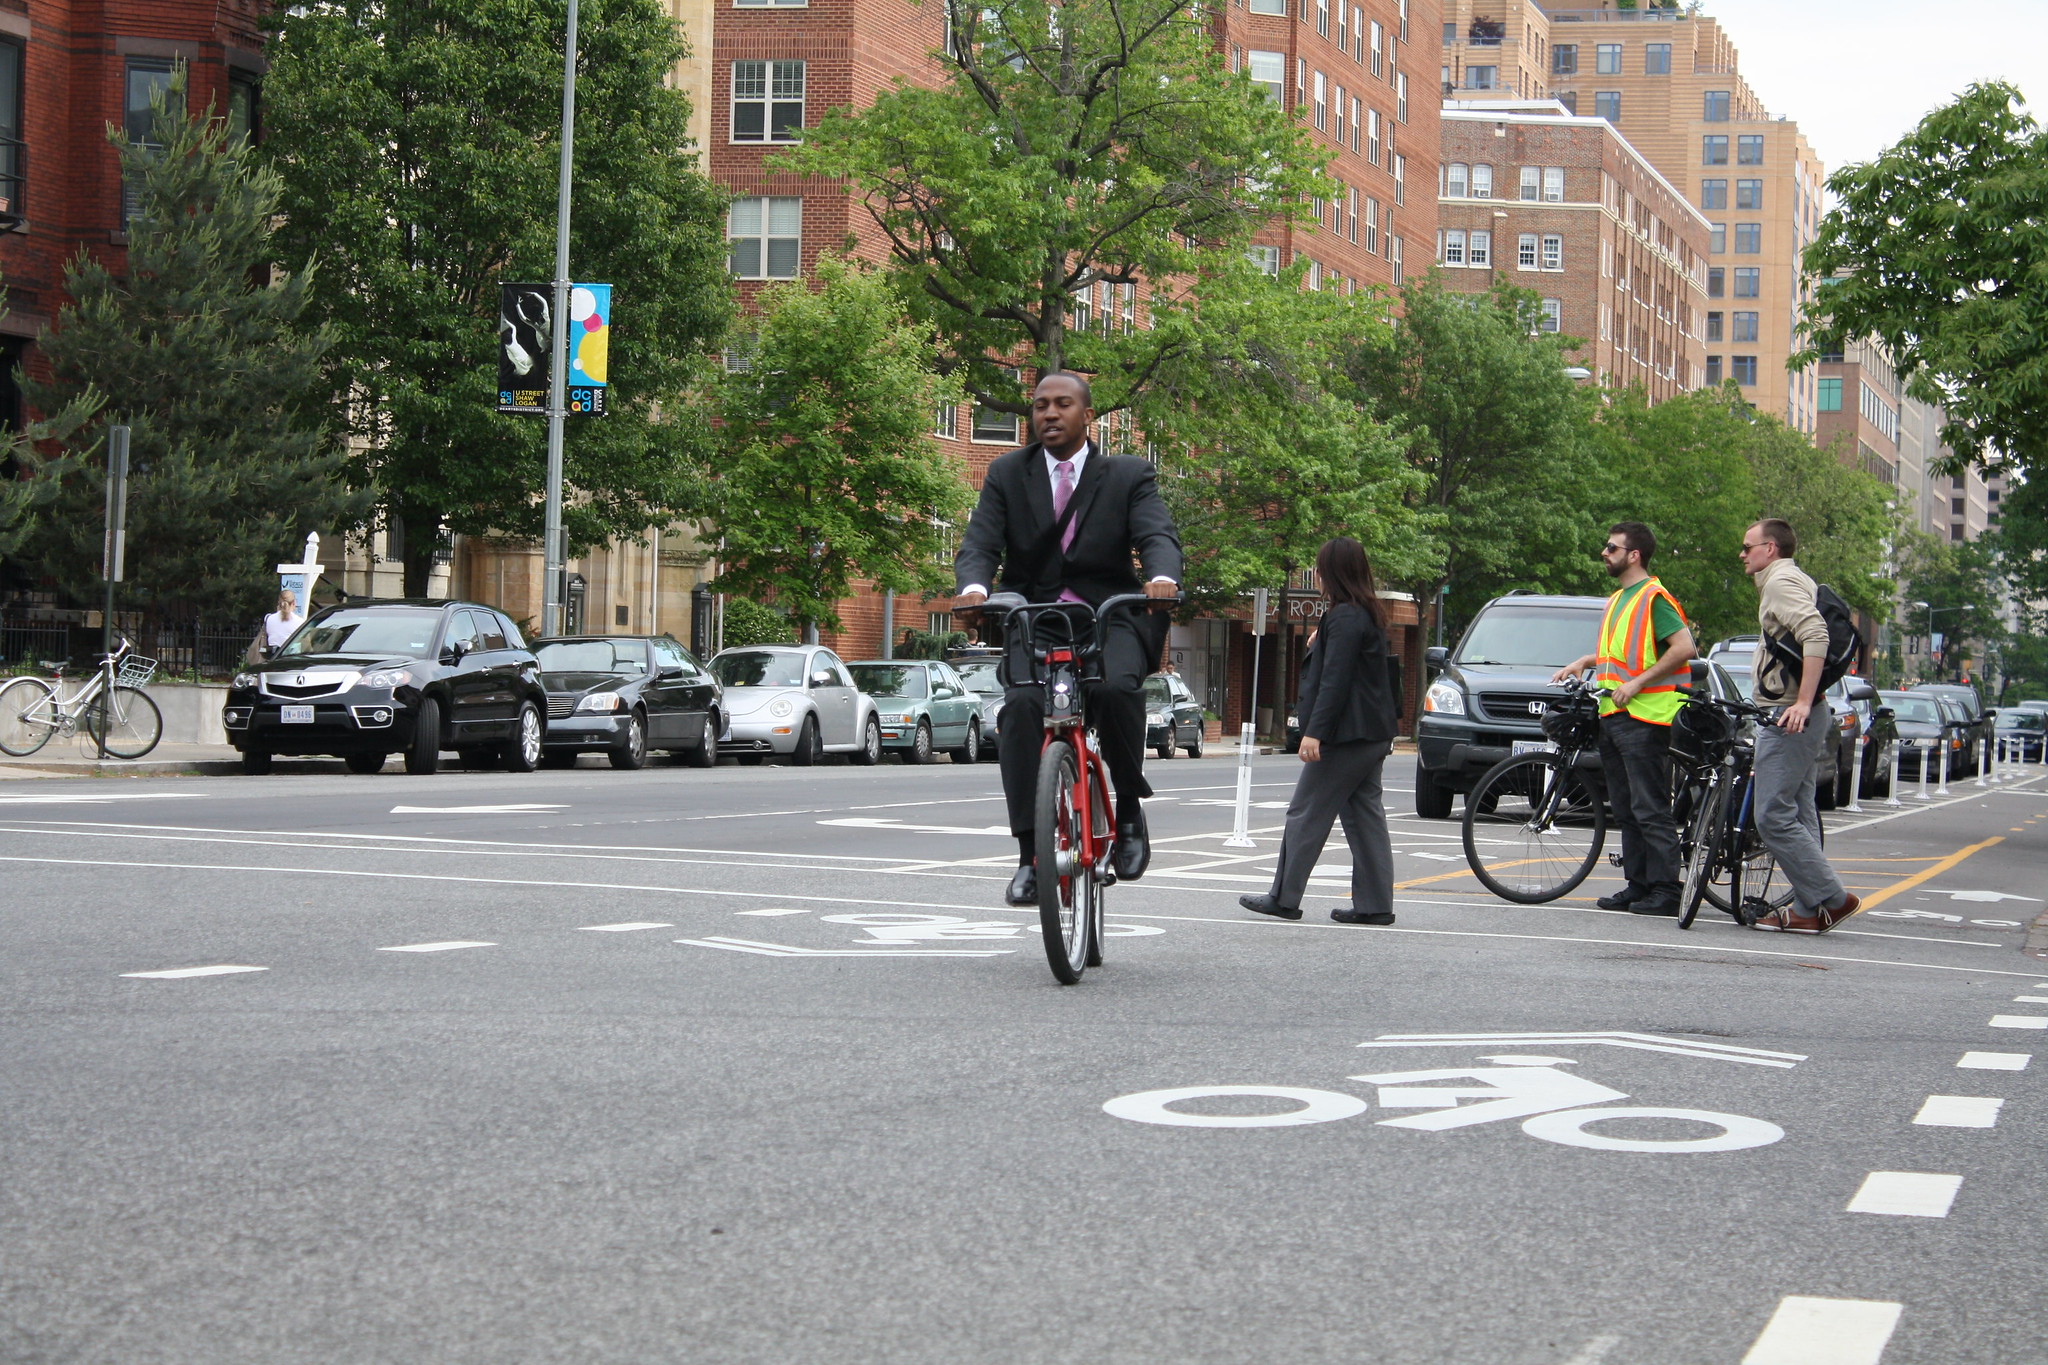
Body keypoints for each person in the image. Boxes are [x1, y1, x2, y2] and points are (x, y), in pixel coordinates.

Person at [953, 372, 1182, 906]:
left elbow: (1156, 535)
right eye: (1039, 406)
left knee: (1115, 690)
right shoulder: (1008, 473)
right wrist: (973, 586)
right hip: (1032, 614)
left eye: (1062, 405)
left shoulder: (1127, 474)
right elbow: (981, 542)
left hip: (1109, 613)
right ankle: (1029, 855)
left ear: (1087, 416)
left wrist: (1163, 578)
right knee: (1021, 709)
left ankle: (1127, 810)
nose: (1048, 414)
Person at [1238, 538, 1400, 926]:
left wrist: (1314, 732)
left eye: (1321, 568)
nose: (1318, 575)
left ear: (1334, 572)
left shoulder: (1344, 617)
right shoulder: (1366, 614)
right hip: (1372, 733)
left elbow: (1335, 681)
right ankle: (1375, 905)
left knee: (1305, 812)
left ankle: (1283, 897)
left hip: (1346, 736)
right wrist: (1322, 639)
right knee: (1365, 817)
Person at [1549, 522, 1696, 917]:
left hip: (1646, 715)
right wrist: (1585, 661)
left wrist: (1637, 684)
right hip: (1614, 713)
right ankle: (1639, 885)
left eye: (1612, 548)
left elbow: (1684, 647)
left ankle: (1666, 890)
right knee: (1627, 808)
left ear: (1634, 555)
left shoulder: (1653, 597)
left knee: (1649, 807)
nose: (1604, 552)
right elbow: (1621, 654)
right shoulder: (1619, 599)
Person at [1739, 518, 1858, 933]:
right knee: (1800, 812)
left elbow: (1816, 634)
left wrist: (1802, 702)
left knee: (1771, 816)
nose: (1742, 554)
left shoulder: (1780, 582)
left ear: (1770, 549)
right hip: (1802, 715)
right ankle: (1809, 909)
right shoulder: (1791, 578)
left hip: (1791, 716)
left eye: (1748, 546)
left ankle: (1833, 899)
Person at [247, 588, 305, 663]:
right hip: (291, 660)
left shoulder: (268, 618)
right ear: (293, 603)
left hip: (271, 659)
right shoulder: (300, 621)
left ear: (279, 603)